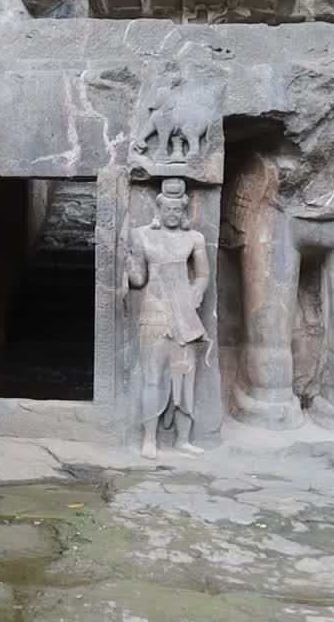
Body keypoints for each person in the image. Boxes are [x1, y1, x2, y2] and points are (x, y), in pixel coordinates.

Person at [127, 178, 210, 459]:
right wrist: (127, 259)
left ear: (183, 211)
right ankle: (149, 439)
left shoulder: (194, 238)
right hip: (154, 312)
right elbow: (138, 279)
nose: (173, 214)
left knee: (185, 377)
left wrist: (196, 292)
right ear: (159, 210)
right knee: (152, 377)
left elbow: (202, 275)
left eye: (178, 210)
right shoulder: (143, 236)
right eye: (168, 210)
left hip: (184, 315)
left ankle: (182, 439)